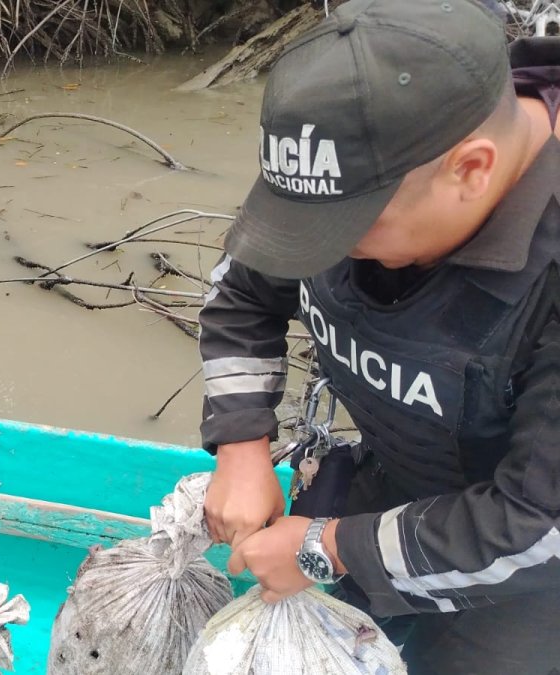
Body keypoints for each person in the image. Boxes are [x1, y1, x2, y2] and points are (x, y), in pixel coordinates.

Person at [197, 1, 560, 672]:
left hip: (526, 561)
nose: (322, 251)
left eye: (348, 231)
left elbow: (539, 524)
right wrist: (242, 444)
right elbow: (241, 292)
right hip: (396, 475)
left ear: (472, 170)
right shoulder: (355, 153)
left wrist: (330, 548)